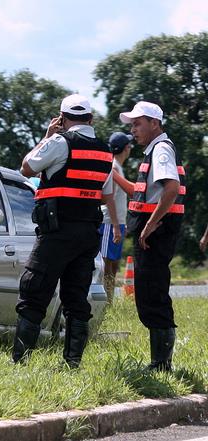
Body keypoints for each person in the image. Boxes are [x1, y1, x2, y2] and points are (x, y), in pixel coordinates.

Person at [12, 94, 120, 368]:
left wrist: (46, 137)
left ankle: (21, 362)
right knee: (76, 298)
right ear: (91, 119)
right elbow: (105, 193)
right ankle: (72, 363)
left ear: (61, 119)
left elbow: (26, 168)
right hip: (87, 234)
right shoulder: (105, 151)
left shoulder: (59, 142)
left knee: (34, 290)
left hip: (57, 231)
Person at [113, 101, 185, 371]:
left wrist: (151, 225)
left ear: (155, 123)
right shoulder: (154, 150)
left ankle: (161, 364)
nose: (133, 130)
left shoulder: (161, 150)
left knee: (152, 292)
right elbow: (142, 192)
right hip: (152, 229)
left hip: (156, 231)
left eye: (137, 123)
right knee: (147, 290)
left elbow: (171, 189)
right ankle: (160, 361)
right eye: (131, 124)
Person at [99, 132, 133, 304]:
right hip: (108, 223)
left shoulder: (118, 168)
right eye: (129, 144)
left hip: (117, 222)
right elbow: (109, 197)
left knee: (113, 266)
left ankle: (109, 302)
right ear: (126, 148)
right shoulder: (113, 167)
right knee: (106, 267)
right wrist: (114, 225)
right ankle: (104, 303)